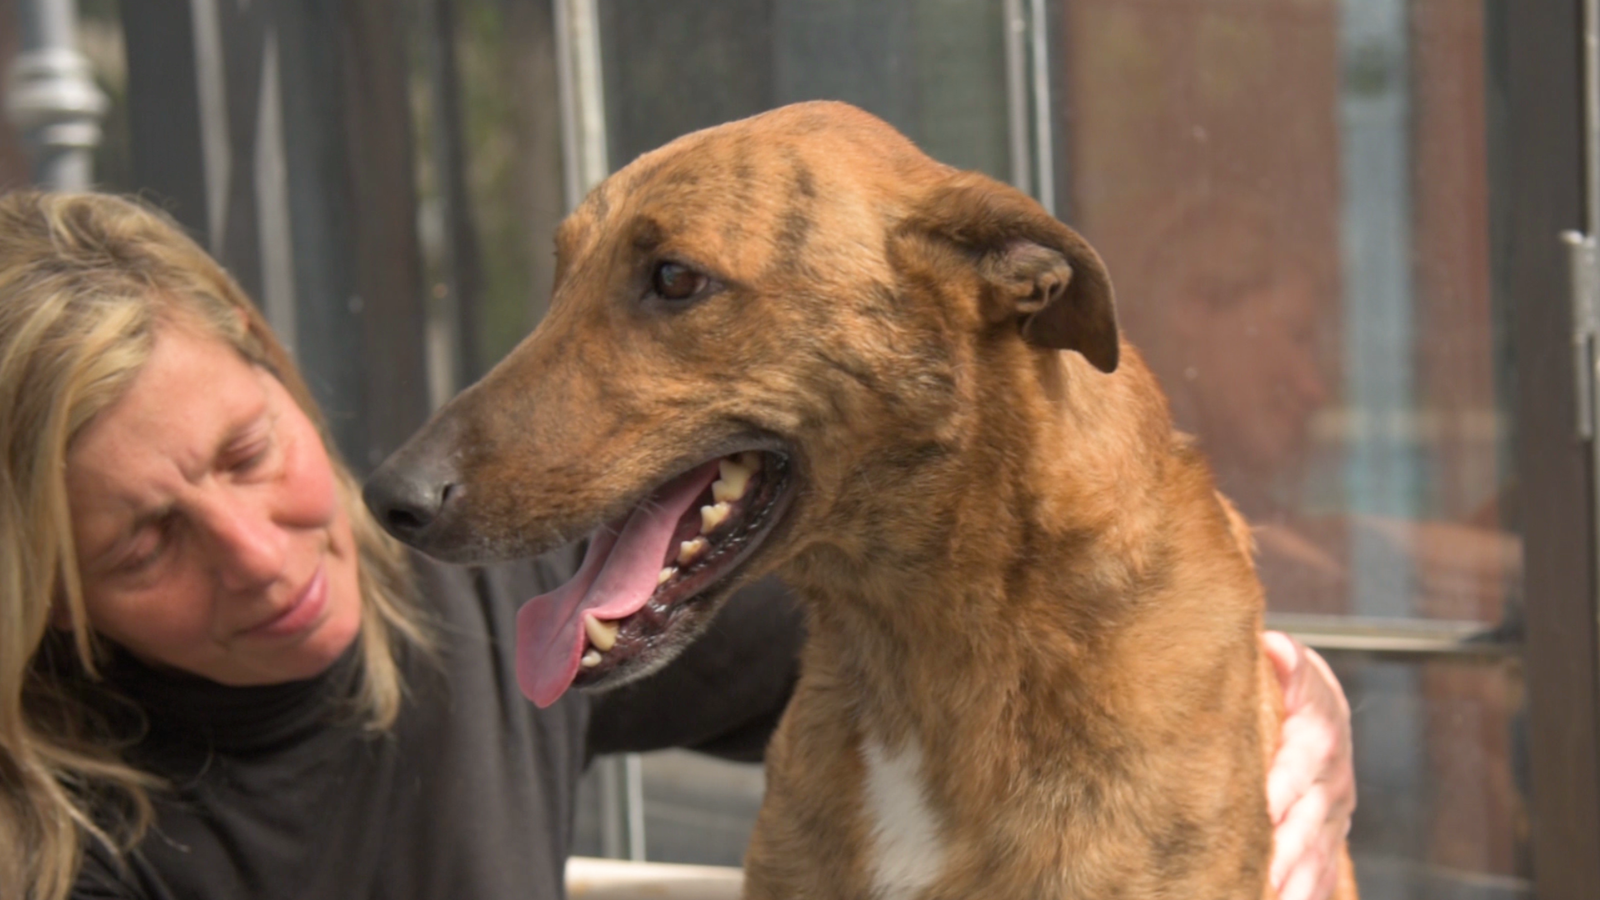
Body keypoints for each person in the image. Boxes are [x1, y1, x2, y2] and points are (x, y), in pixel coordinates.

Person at [0, 190, 1353, 900]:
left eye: (249, 453)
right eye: (144, 545)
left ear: (274, 363)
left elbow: (969, 624)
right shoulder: (57, 848)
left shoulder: (480, 596)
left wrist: (1280, 713)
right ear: (48, 603)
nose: (255, 553)